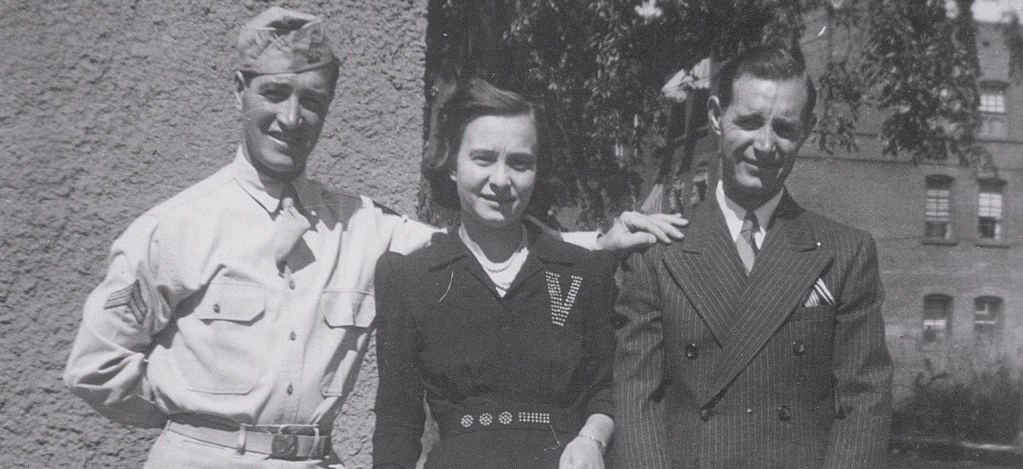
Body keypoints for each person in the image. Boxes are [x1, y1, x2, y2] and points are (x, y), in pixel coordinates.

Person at [62, 7, 684, 468]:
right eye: (274, 93)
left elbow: (484, 237)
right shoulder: (175, 227)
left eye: (311, 99)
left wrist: (599, 243)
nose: (291, 117)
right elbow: (96, 368)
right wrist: (194, 418)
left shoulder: (361, 226)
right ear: (240, 92)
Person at [614, 44, 893, 469]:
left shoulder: (844, 253)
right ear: (714, 117)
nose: (765, 145)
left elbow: (865, 404)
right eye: (748, 122)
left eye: (784, 128)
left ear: (807, 129)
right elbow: (637, 403)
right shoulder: (659, 253)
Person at [371, 78, 616, 469]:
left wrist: (592, 439)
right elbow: (397, 427)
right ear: (452, 165)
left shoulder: (583, 273)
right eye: (483, 158)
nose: (501, 180)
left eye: (520, 162)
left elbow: (605, 388)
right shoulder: (411, 279)